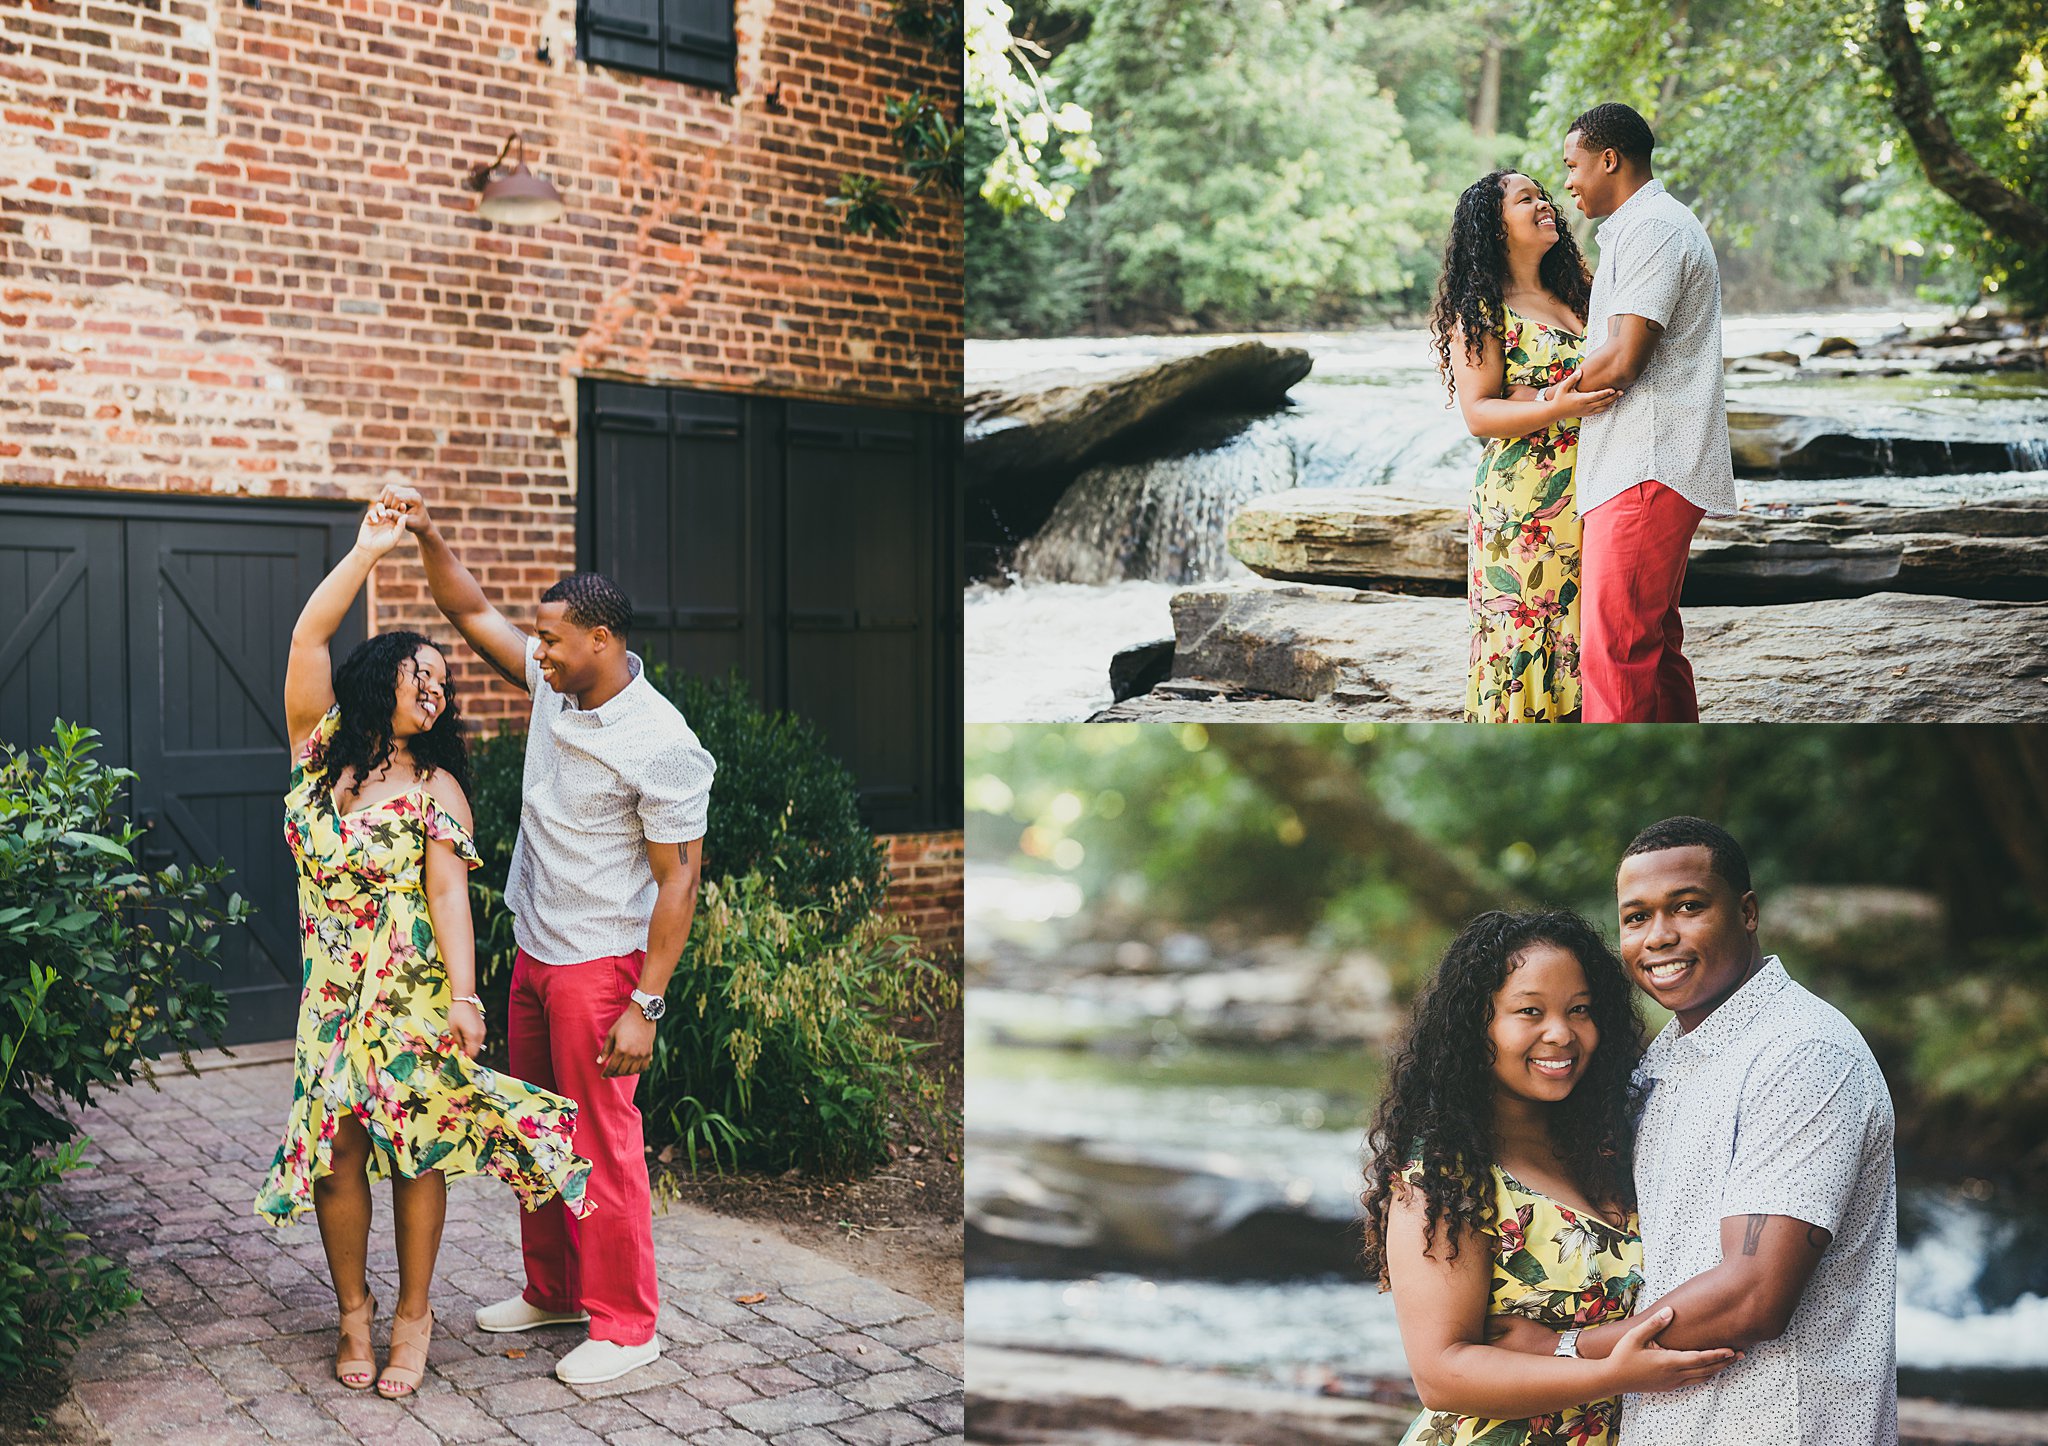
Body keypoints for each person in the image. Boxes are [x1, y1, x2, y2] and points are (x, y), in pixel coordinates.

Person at [375, 481, 715, 1387]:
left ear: (601, 640)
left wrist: (648, 1001)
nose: (540, 652)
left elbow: (679, 879)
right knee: (533, 1134)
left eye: (554, 639)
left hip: (602, 965)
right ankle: (557, 1288)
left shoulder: (661, 742)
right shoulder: (554, 679)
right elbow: (468, 605)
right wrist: (429, 532)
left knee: (603, 1145)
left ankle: (628, 1322)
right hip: (534, 948)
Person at [255, 501, 594, 1402]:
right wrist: (368, 549)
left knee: (416, 1149)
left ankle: (414, 1315)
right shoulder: (316, 750)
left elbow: (449, 895)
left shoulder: (439, 783)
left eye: (445, 677)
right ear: (378, 680)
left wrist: (467, 998)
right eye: (421, 671)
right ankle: (353, 1311)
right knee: (337, 1152)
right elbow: (305, 634)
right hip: (330, 993)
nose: (438, 685)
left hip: (408, 991)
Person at [1490, 818, 1899, 1444]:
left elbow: (1754, 1296)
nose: (1659, 937)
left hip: (1779, 1424)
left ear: (1747, 912)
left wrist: (1566, 1347)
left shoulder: (1804, 1052)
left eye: (1687, 907)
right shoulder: (1669, 1057)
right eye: (1636, 917)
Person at [1361, 910, 1739, 1445]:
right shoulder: (1443, 1179)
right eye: (1529, 1011)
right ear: (1477, 1026)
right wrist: (1610, 1376)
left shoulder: (1608, 1147)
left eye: (1579, 1010)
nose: (1560, 1034)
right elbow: (1441, 1374)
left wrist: (1572, 1349)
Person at [1557, 103, 1738, 723]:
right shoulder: (1643, 227)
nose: (1569, 183)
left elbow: (1627, 356)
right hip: (1644, 465)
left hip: (1646, 464)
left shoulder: (1655, 227)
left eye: (1573, 166)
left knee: (1614, 652)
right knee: (1653, 651)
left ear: (1610, 159)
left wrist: (1553, 399)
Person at [1431, 169, 1621, 723]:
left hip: (1598, 483)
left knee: (1588, 628)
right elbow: (1479, 413)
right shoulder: (1481, 311)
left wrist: (1533, 393)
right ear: (1495, 228)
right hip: (1525, 504)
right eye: (1526, 199)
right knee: (1533, 627)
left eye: (1543, 195)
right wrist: (1555, 404)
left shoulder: (1580, 292)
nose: (1545, 204)